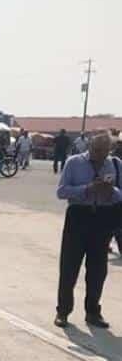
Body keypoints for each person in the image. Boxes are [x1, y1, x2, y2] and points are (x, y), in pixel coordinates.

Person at [55, 132, 121, 329]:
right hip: (78, 216)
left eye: (103, 151)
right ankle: (63, 311)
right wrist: (87, 189)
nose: (98, 155)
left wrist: (112, 192)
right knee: (69, 267)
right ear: (89, 146)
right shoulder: (74, 162)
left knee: (98, 270)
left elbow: (120, 194)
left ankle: (93, 312)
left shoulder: (115, 164)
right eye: (95, 150)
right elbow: (61, 191)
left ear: (109, 150)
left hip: (103, 218)